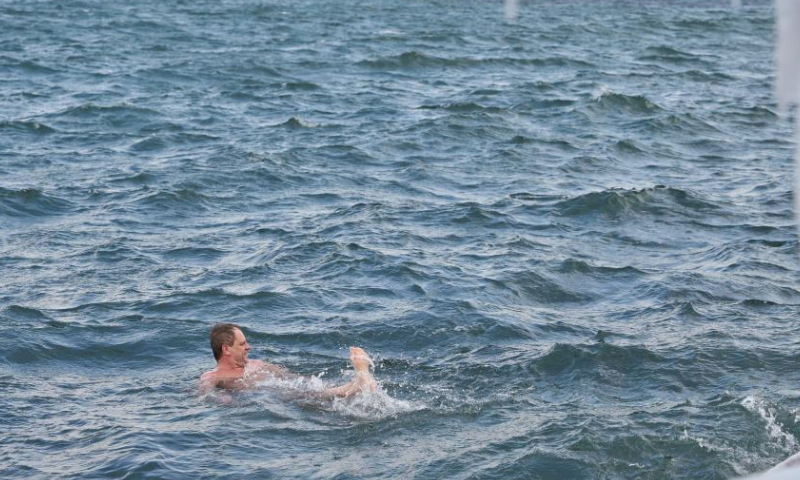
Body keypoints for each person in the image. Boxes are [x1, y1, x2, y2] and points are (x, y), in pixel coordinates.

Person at [200, 323, 377, 397]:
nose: (249, 347)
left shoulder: (259, 364)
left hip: (283, 392)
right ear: (226, 349)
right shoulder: (212, 377)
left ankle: (356, 384)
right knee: (308, 395)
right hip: (273, 395)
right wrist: (223, 401)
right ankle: (358, 382)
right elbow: (205, 395)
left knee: (309, 392)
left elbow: (292, 377)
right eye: (242, 344)